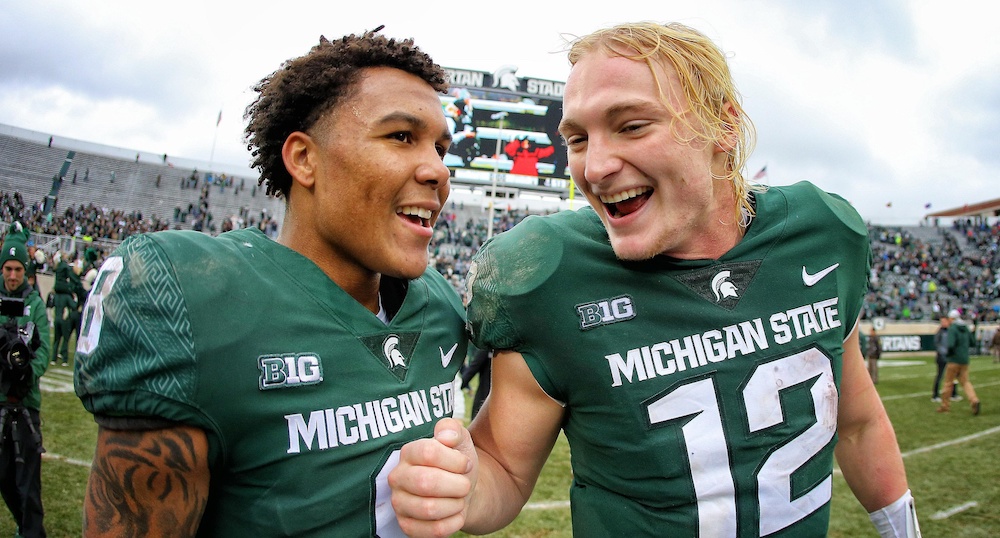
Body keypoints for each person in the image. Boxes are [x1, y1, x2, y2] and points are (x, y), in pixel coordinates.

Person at [390, 21, 919, 538]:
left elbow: (857, 424)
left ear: (723, 126)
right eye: (576, 138)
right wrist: (461, 485)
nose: (593, 167)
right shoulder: (549, 274)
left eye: (631, 125)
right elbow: (503, 470)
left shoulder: (822, 233)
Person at [73, 28, 467, 537]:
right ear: (304, 159)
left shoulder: (437, 307)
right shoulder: (202, 299)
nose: (438, 170)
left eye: (440, 147)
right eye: (400, 136)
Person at [0, 222, 51, 537]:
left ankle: (32, 532)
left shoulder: (34, 304)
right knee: (5, 479)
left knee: (28, 484)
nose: (13, 275)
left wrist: (26, 370)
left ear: (26, 270)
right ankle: (25, 527)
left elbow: (43, 349)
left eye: (18, 269)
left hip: (25, 404)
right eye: (7, 268)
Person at [937, 309, 980, 415]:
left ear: (951, 318)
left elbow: (951, 344)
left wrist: (949, 354)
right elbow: (973, 342)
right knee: (965, 382)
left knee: (948, 383)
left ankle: (945, 405)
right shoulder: (965, 328)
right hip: (965, 359)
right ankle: (974, 400)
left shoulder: (952, 328)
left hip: (954, 359)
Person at [49, 251, 75, 366]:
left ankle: (53, 358)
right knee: (65, 339)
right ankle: (64, 358)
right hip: (64, 319)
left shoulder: (56, 295)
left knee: (56, 339)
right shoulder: (67, 295)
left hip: (56, 318)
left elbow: (50, 305)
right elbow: (73, 306)